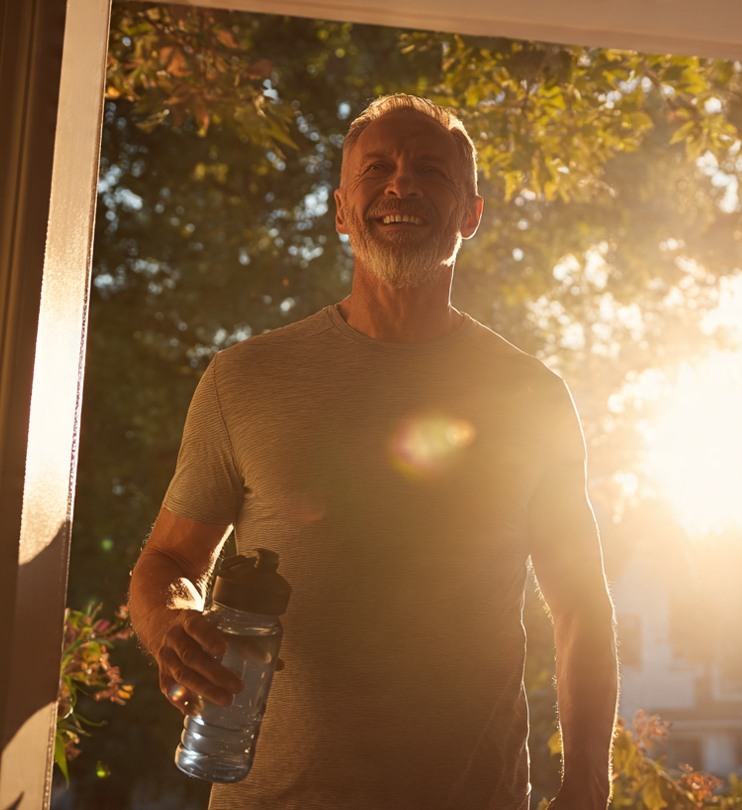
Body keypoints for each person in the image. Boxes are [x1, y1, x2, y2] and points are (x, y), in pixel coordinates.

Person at [129, 94, 618, 810]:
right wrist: (171, 620)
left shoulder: (531, 395)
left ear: (470, 215)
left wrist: (587, 788)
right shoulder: (245, 378)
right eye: (377, 168)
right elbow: (168, 562)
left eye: (431, 170)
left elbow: (580, 607)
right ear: (340, 210)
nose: (402, 184)